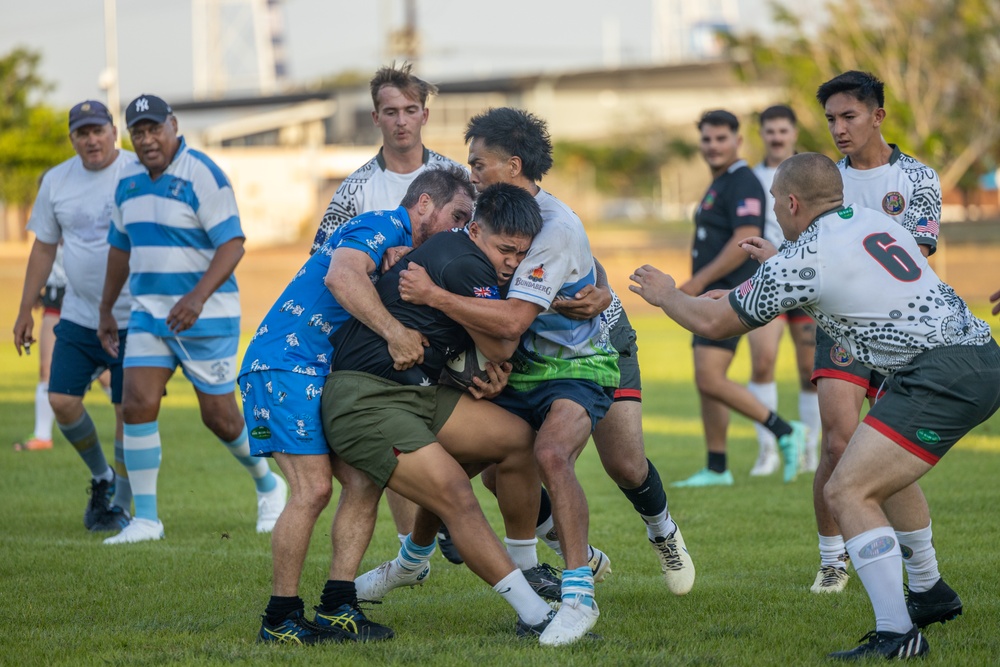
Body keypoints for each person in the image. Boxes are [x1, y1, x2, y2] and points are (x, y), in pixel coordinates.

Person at [630, 152, 1000, 660]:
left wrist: (667, 295)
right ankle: (930, 591)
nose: (776, 215)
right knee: (880, 474)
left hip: (939, 375)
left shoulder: (805, 258)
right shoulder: (870, 220)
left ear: (791, 202)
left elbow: (716, 324)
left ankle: (897, 634)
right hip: (975, 355)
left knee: (847, 488)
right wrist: (755, 279)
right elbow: (830, 278)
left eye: (776, 206)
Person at [393, 107, 685, 643]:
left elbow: (511, 322)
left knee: (610, 462)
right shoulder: (489, 212)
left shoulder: (554, 225)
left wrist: (433, 295)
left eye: (478, 162)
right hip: (525, 360)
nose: (471, 171)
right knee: (477, 460)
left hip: (582, 357)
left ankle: (616, 565)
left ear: (513, 163)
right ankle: (416, 558)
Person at [324, 183, 577, 643]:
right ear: (474, 229)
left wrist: (488, 370)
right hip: (368, 397)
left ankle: (509, 564)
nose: (512, 264)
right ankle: (535, 615)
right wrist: (495, 349)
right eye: (505, 250)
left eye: (521, 254)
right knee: (457, 494)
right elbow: (502, 341)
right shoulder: (465, 261)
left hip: (419, 392)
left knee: (517, 439)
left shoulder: (472, 258)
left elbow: (486, 349)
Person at [240, 167, 476, 644]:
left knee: (364, 479)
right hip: (285, 364)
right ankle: (280, 618)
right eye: (458, 216)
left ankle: (337, 606)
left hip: (320, 371)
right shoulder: (381, 223)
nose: (460, 230)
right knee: (312, 490)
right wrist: (395, 333)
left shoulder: (404, 248)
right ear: (425, 204)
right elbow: (341, 275)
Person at [97, 94, 286, 544]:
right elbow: (120, 248)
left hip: (208, 316)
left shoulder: (202, 173)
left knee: (219, 416)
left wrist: (198, 298)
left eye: (153, 129)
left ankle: (268, 484)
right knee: (137, 402)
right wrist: (105, 309)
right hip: (148, 314)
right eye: (137, 132)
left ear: (174, 126)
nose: (146, 139)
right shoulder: (125, 181)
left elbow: (233, 243)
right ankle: (147, 519)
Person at [310, 62, 464, 552]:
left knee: (471, 429)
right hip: (382, 332)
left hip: (452, 323)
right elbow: (321, 260)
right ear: (375, 117)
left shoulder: (456, 179)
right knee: (394, 436)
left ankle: (451, 524)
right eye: (390, 111)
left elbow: (481, 248)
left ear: (425, 114)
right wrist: (381, 264)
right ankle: (410, 548)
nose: (402, 120)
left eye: (411, 110)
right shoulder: (356, 188)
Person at [808, 70, 946, 595]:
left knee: (880, 448)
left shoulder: (916, 178)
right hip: (839, 323)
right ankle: (831, 559)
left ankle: (921, 571)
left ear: (878, 116)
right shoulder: (826, 181)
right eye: (831, 120)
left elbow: (918, 253)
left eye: (848, 116)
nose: (839, 129)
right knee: (838, 442)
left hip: (900, 330)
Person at [12, 100, 136, 531]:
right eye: (82, 133)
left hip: (133, 316)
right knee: (62, 400)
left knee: (126, 411)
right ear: (73, 139)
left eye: (97, 130)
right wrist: (26, 308)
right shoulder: (57, 180)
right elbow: (44, 246)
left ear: (112, 131)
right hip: (80, 314)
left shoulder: (137, 172)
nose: (91, 139)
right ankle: (101, 477)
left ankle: (120, 504)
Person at [670, 109, 804, 488]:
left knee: (709, 376)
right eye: (707, 139)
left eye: (720, 138)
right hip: (716, 291)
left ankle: (783, 429)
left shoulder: (743, 181)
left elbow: (743, 237)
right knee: (705, 377)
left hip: (728, 291)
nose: (712, 146)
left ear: (738, 141)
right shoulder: (721, 182)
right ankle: (717, 467)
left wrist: (697, 282)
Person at [747, 105, 821, 476]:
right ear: (762, 133)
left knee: (810, 367)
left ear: (793, 133)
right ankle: (769, 451)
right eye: (770, 130)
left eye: (783, 130)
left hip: (806, 276)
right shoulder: (750, 177)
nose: (777, 136)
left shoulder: (810, 173)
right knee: (763, 363)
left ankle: (810, 451)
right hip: (765, 280)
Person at [13, 244, 66, 451]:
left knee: (105, 373)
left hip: (86, 296)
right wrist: (35, 290)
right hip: (55, 296)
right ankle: (43, 436)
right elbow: (43, 248)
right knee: (46, 367)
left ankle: (132, 419)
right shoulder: (51, 212)